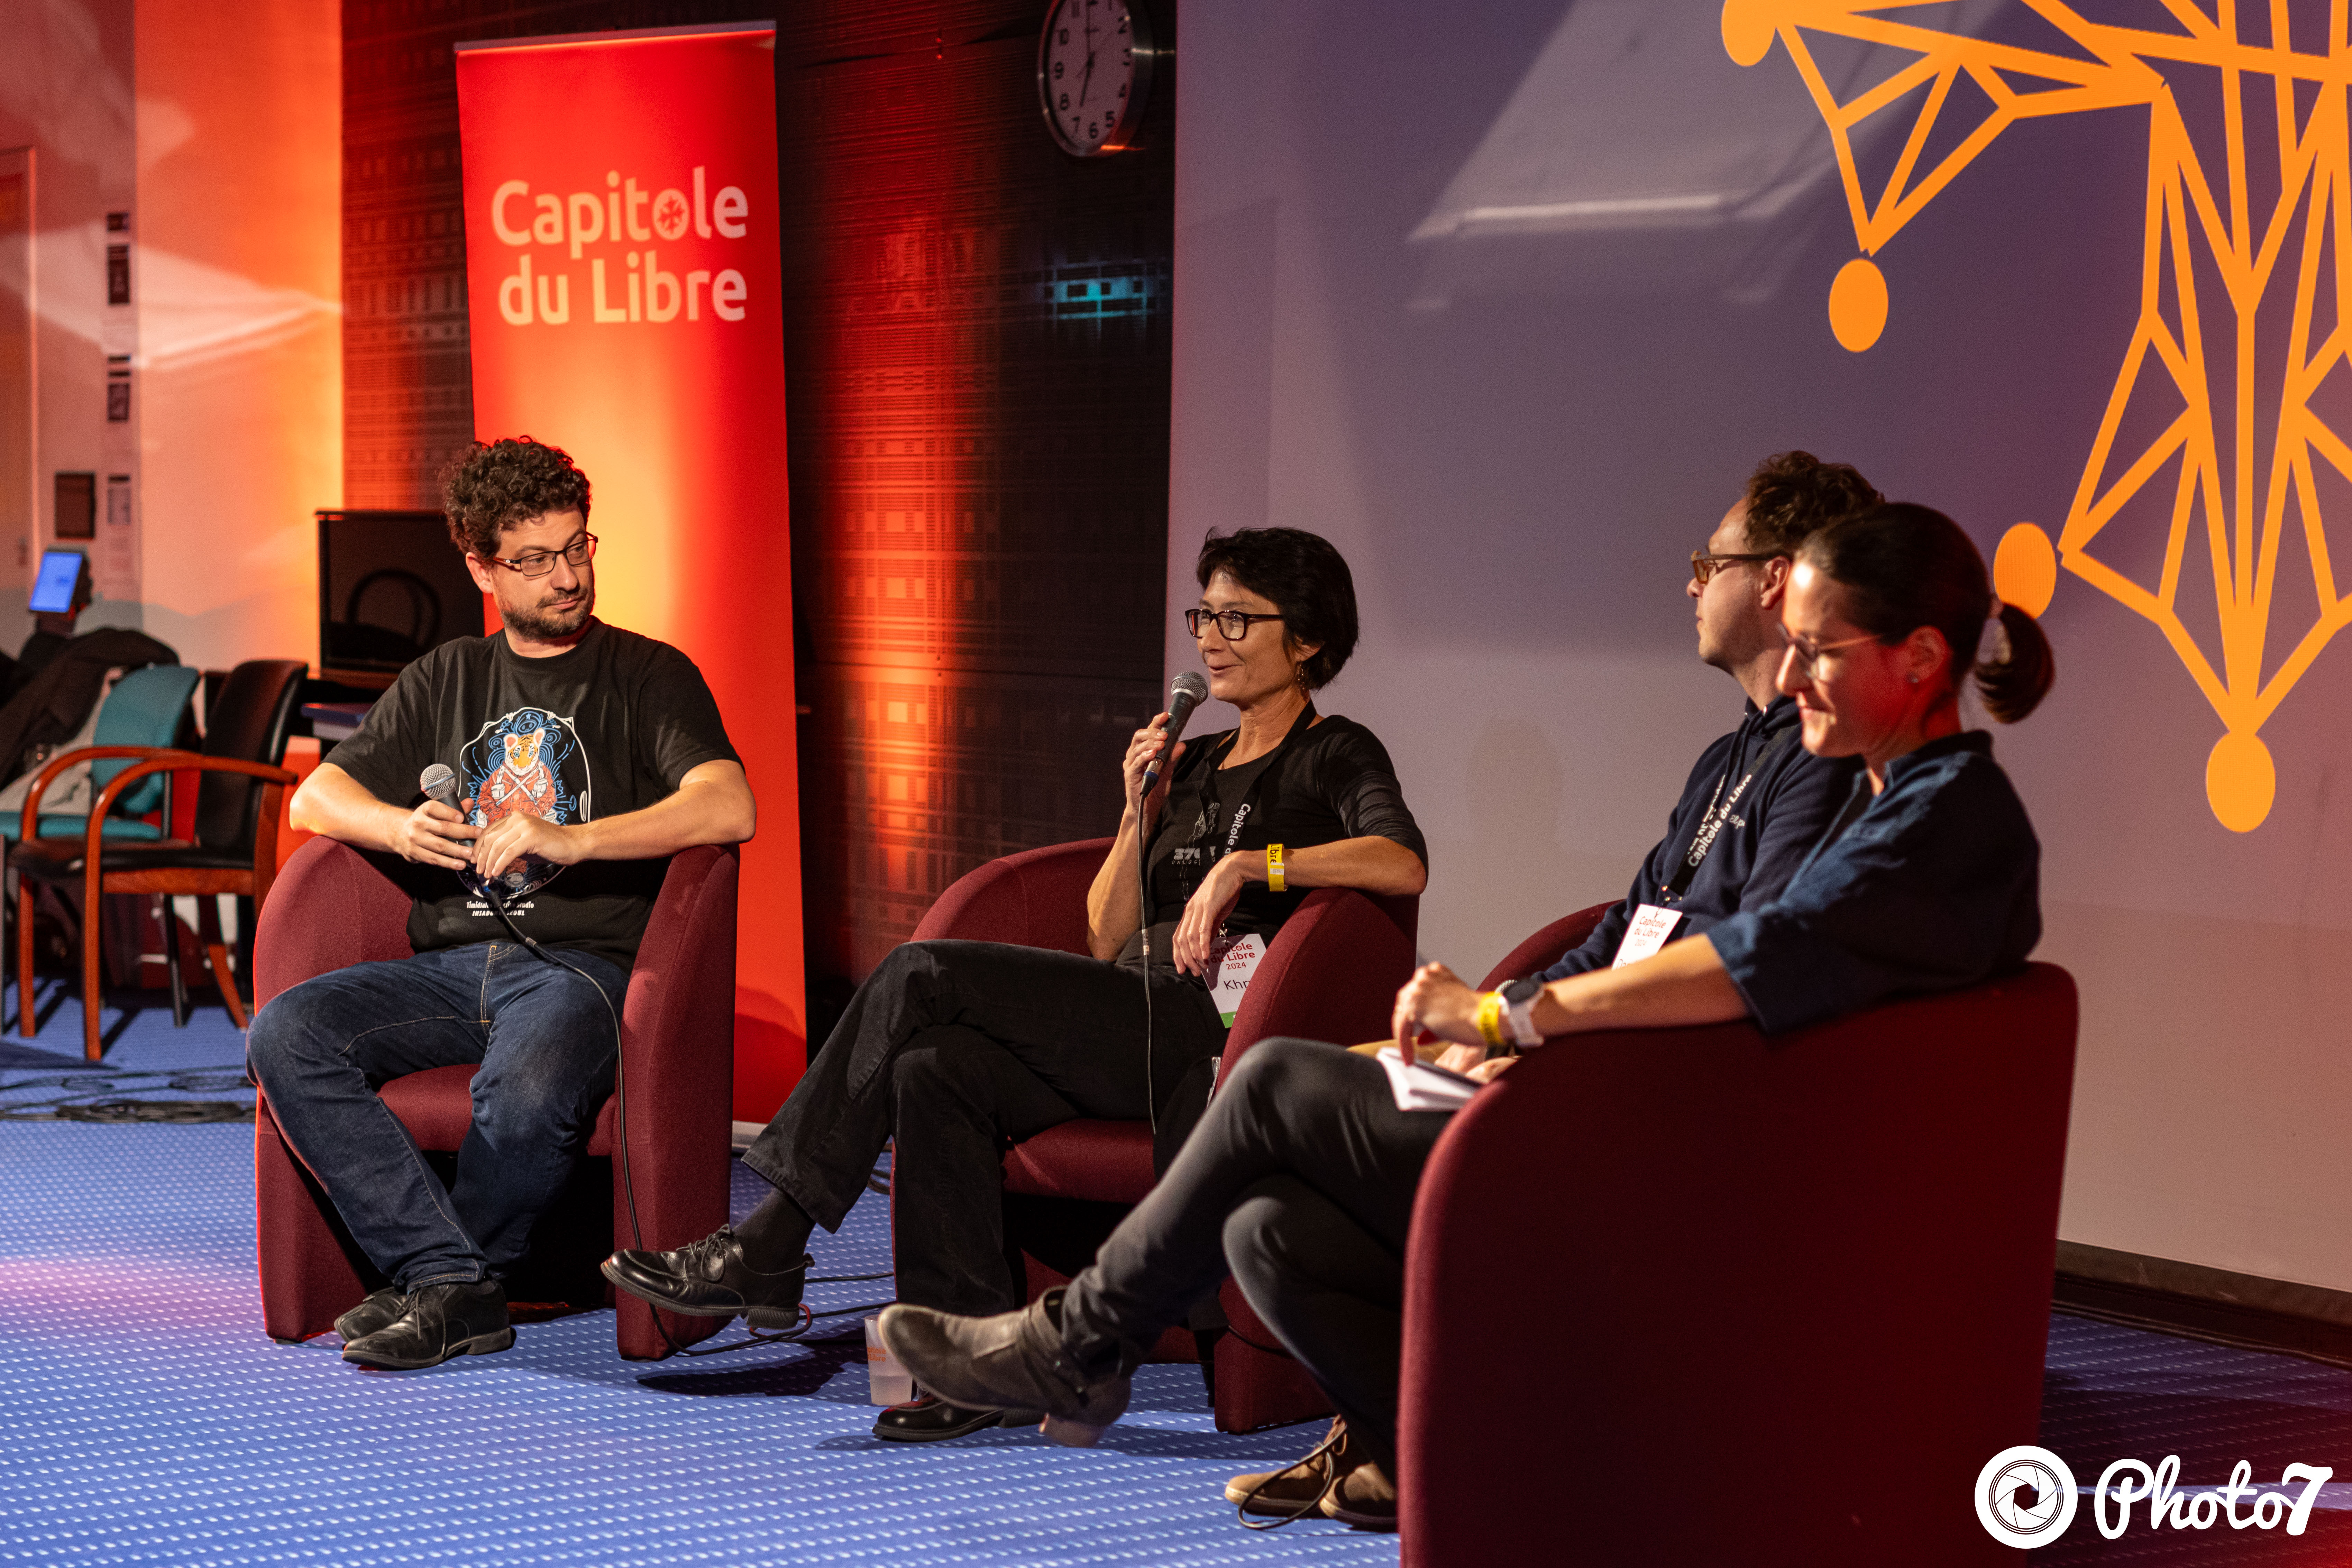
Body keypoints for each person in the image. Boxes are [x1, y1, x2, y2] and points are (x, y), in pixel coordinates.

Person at [876, 498, 2054, 1533]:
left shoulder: (1949, 822)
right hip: (1642, 1107)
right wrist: (1488, 1017)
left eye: (1821, 652)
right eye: (1791, 649)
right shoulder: (1893, 795)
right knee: (1270, 1230)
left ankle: (1077, 1347)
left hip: (1684, 1155)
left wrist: (1513, 1028)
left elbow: (1754, 962)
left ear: (1921, 658)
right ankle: (1428, 1451)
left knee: (1280, 1080)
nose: (1793, 680)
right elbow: (1653, 921)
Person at [603, 526, 1429, 1443]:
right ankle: (973, 1359)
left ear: (1307, 639)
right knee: (935, 1064)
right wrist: (1134, 811)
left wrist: (1252, 868)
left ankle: (770, 1241)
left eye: (1239, 619)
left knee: (920, 972)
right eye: (1205, 615)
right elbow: (1104, 934)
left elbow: (1402, 863)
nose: (1210, 638)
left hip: (1213, 1032)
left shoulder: (1336, 753)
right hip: (1129, 1009)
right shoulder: (1191, 764)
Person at [246, 437, 754, 1371]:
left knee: (524, 1092)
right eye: (535, 559)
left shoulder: (649, 675)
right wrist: (402, 829)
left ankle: (444, 1284)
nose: (567, 576)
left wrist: (575, 838)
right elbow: (316, 798)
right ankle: (456, 1282)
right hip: (448, 964)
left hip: (583, 968)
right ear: (480, 565)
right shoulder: (447, 676)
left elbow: (730, 804)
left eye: (578, 548)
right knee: (286, 1033)